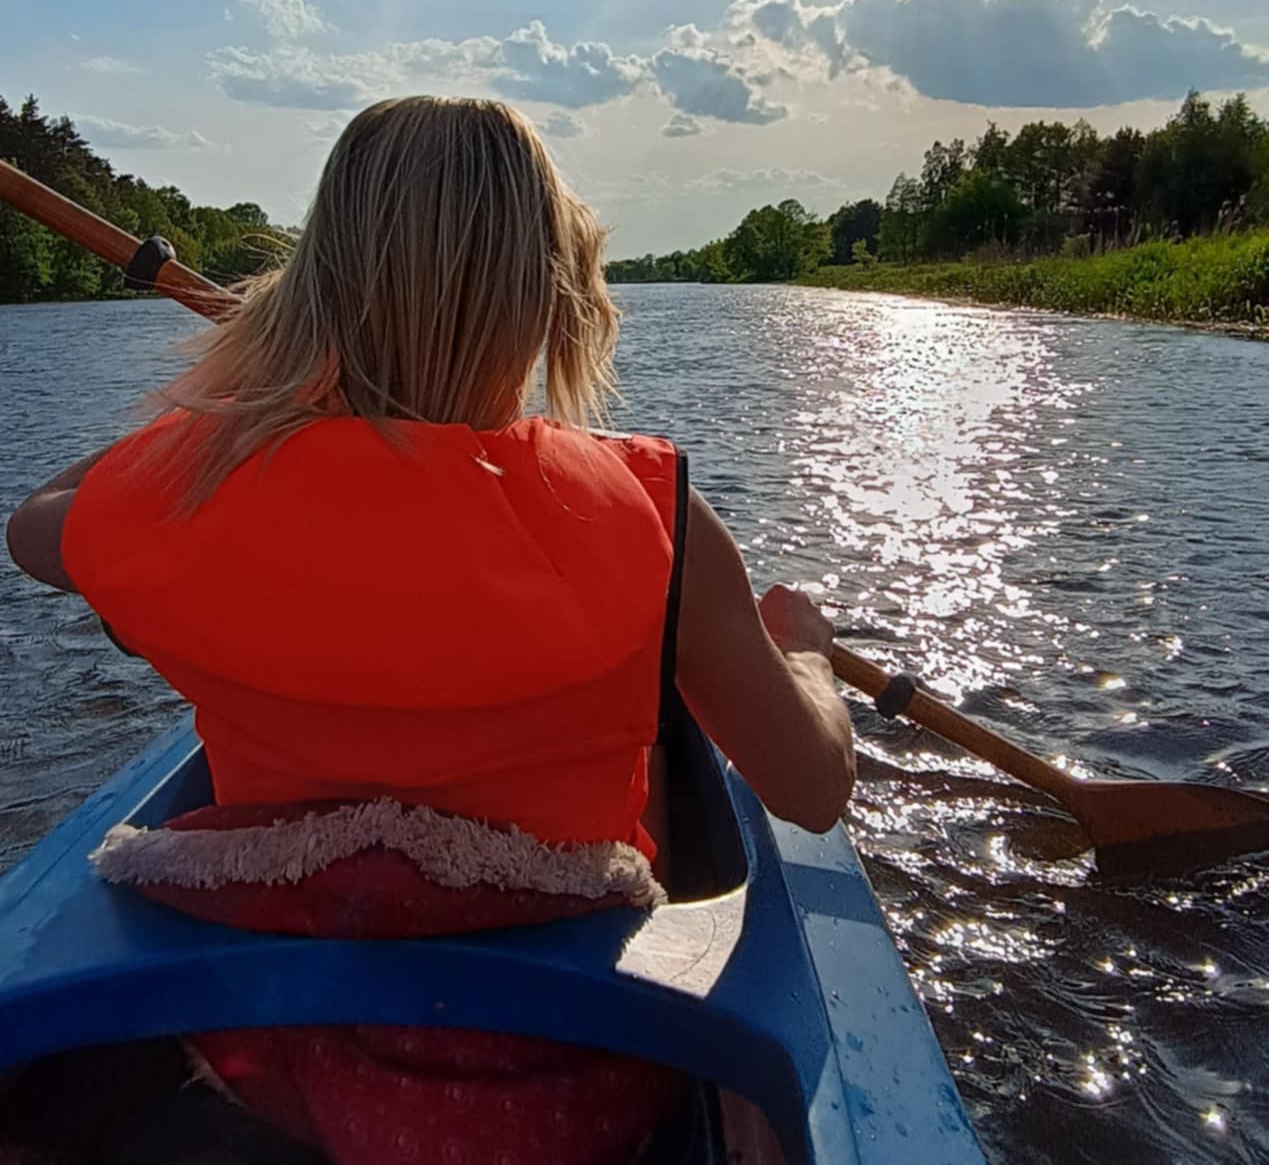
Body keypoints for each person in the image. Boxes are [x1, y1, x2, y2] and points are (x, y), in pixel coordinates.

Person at [7, 96, 854, 1162]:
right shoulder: (659, 513)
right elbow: (811, 788)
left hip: (278, 1060)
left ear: (310, 289)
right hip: (572, 1091)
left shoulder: (195, 496)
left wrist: (241, 395)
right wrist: (807, 656)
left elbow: (35, 523)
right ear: (552, 295)